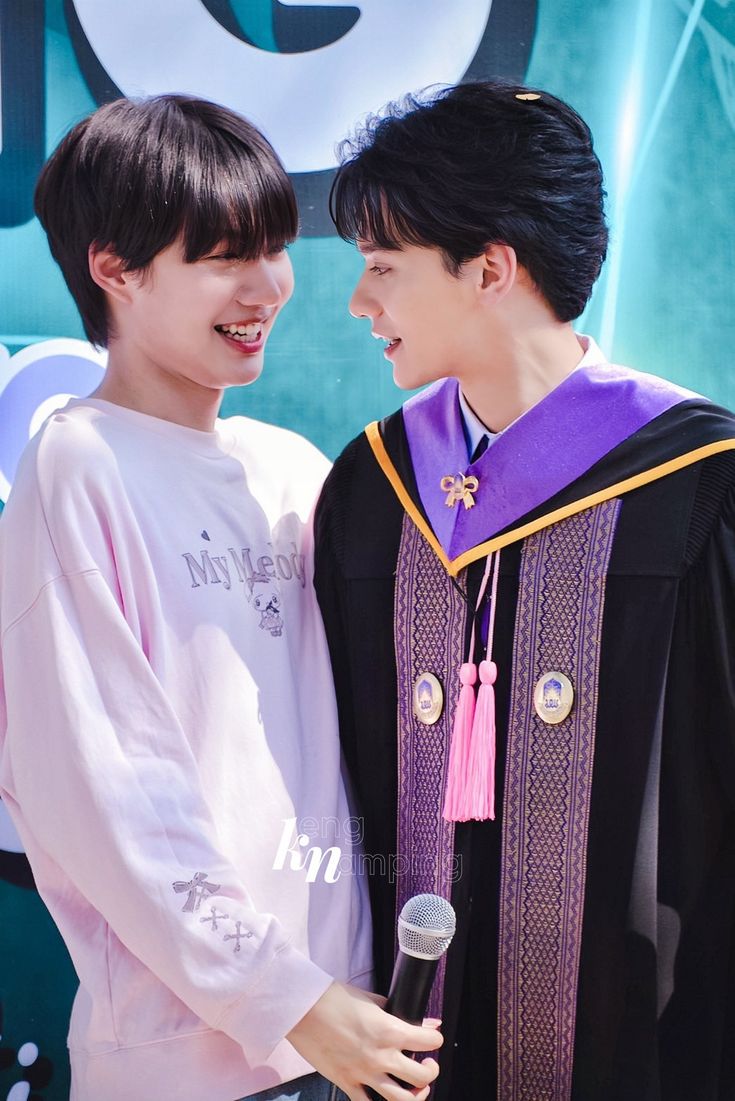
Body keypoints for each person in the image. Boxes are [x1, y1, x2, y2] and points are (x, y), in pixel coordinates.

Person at [0, 95, 442, 1101]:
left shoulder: (289, 470)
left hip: (351, 1030)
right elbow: (106, 791)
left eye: (274, 249)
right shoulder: (79, 465)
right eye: (225, 257)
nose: (267, 286)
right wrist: (283, 997)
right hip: (189, 1065)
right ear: (114, 268)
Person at [314, 80, 735, 1100]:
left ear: (490, 269)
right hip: (400, 1051)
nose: (360, 302)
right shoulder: (372, 487)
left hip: (647, 1049)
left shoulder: (699, 484)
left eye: (382, 267)